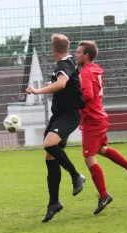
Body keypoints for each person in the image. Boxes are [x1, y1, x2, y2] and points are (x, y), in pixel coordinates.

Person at [75, 41, 127, 215]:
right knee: (102, 150)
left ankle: (104, 195)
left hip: (92, 119)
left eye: (79, 52)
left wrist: (74, 101)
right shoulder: (96, 69)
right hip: (100, 116)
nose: (76, 55)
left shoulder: (86, 72)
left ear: (86, 55)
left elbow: (87, 95)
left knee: (89, 158)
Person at [27, 34, 86, 222]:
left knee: (49, 144)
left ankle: (76, 176)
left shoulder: (64, 64)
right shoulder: (67, 64)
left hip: (68, 115)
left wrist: (37, 91)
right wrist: (50, 85)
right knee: (50, 155)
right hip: (59, 115)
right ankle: (54, 203)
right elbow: (63, 85)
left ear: (54, 50)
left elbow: (62, 83)